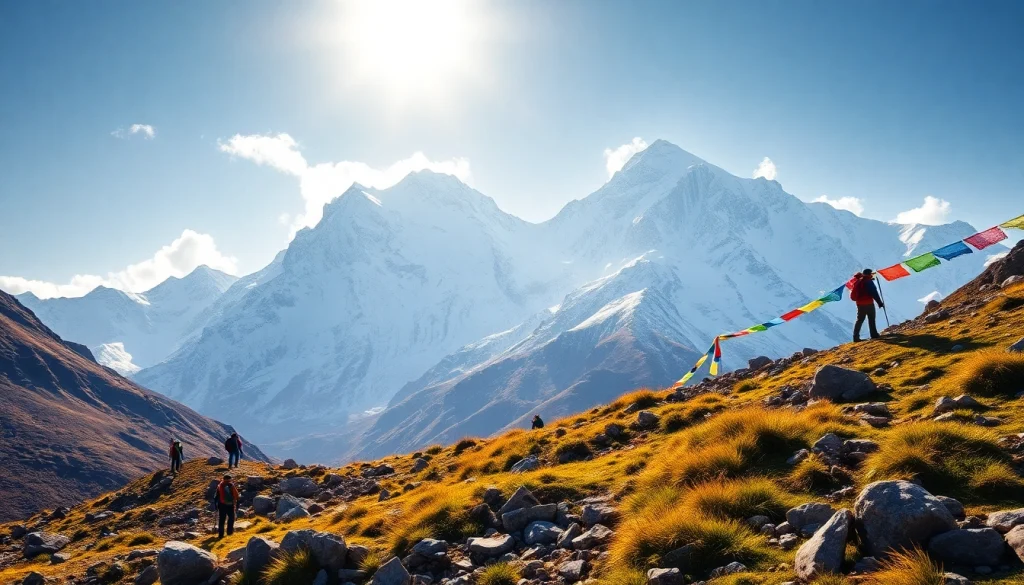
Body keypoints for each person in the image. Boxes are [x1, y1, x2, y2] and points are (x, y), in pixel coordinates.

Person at [850, 268, 884, 342]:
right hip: (869, 303)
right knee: (871, 319)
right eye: (871, 274)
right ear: (869, 274)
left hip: (860, 304)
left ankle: (856, 337)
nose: (872, 275)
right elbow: (874, 293)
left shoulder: (858, 281)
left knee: (859, 320)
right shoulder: (868, 281)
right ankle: (874, 334)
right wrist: (879, 303)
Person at [214, 474, 239, 538]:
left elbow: (216, 497)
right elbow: (236, 495)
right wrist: (235, 501)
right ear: (229, 479)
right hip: (230, 505)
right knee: (231, 518)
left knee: (222, 520)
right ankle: (229, 533)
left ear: (223, 479)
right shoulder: (231, 485)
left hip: (221, 505)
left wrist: (216, 506)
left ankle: (221, 535)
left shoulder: (219, 485)